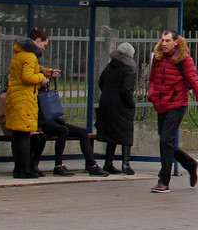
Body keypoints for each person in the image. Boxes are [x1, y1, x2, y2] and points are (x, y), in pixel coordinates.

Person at [147, 30, 198, 193]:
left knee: (165, 141)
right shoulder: (158, 58)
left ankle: (163, 181)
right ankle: (191, 164)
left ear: (176, 42)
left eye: (168, 41)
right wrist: (151, 94)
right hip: (161, 104)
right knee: (166, 141)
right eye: (162, 40)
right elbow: (152, 79)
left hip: (176, 104)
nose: (164, 44)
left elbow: (197, 84)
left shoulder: (184, 60)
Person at [4, 29, 59, 179]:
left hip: (15, 98)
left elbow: (30, 68)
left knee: (17, 135)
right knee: (24, 135)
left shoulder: (19, 54)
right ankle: (25, 169)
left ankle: (18, 169)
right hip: (24, 99)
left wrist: (46, 71)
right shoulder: (29, 56)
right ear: (38, 41)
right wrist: (42, 77)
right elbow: (28, 77)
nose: (44, 48)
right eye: (44, 44)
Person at [97, 42, 137, 174]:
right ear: (129, 56)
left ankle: (108, 163)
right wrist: (131, 104)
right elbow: (127, 90)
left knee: (111, 134)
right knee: (126, 133)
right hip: (121, 106)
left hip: (106, 104)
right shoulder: (128, 69)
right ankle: (126, 164)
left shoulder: (110, 66)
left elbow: (101, 82)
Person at [35, 113, 109, 177]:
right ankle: (58, 165)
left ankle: (92, 165)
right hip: (42, 122)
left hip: (53, 120)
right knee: (63, 130)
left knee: (83, 132)